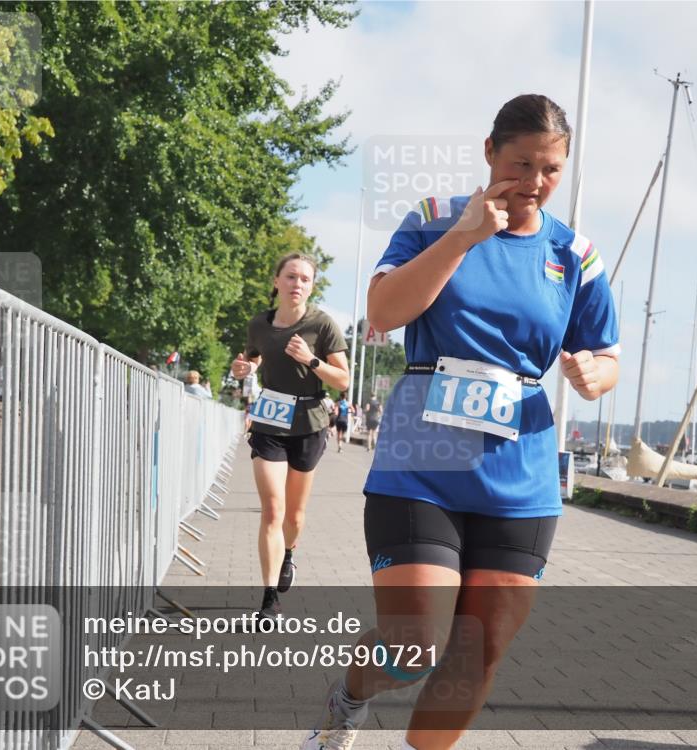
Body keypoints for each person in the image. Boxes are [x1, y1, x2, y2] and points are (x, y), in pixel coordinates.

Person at [300, 94, 620, 750]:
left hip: (521, 470)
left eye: (552, 169)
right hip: (424, 462)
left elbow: (608, 355)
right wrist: (465, 237)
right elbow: (384, 313)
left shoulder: (575, 254)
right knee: (417, 645)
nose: (535, 182)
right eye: (521, 163)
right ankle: (349, 696)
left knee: (478, 653)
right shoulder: (433, 219)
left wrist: (594, 374)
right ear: (489, 152)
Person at [230, 253, 349, 620]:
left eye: (306, 279)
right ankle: (269, 601)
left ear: (311, 286)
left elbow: (343, 381)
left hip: (309, 422)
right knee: (273, 510)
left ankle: (289, 553)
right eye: (292, 277)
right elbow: (253, 357)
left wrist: (311, 360)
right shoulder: (259, 325)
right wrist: (245, 368)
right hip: (269, 421)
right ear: (277, 281)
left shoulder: (322, 324)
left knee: (294, 516)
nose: (298, 284)